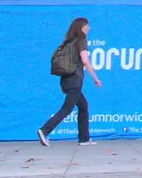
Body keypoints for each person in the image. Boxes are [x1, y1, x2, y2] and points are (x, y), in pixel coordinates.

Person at [38, 17, 102, 145]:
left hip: (66, 80)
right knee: (67, 109)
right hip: (75, 80)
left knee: (83, 106)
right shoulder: (81, 40)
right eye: (86, 26)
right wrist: (95, 78)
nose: (88, 28)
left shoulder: (68, 42)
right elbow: (85, 60)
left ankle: (84, 138)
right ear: (81, 28)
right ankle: (45, 130)